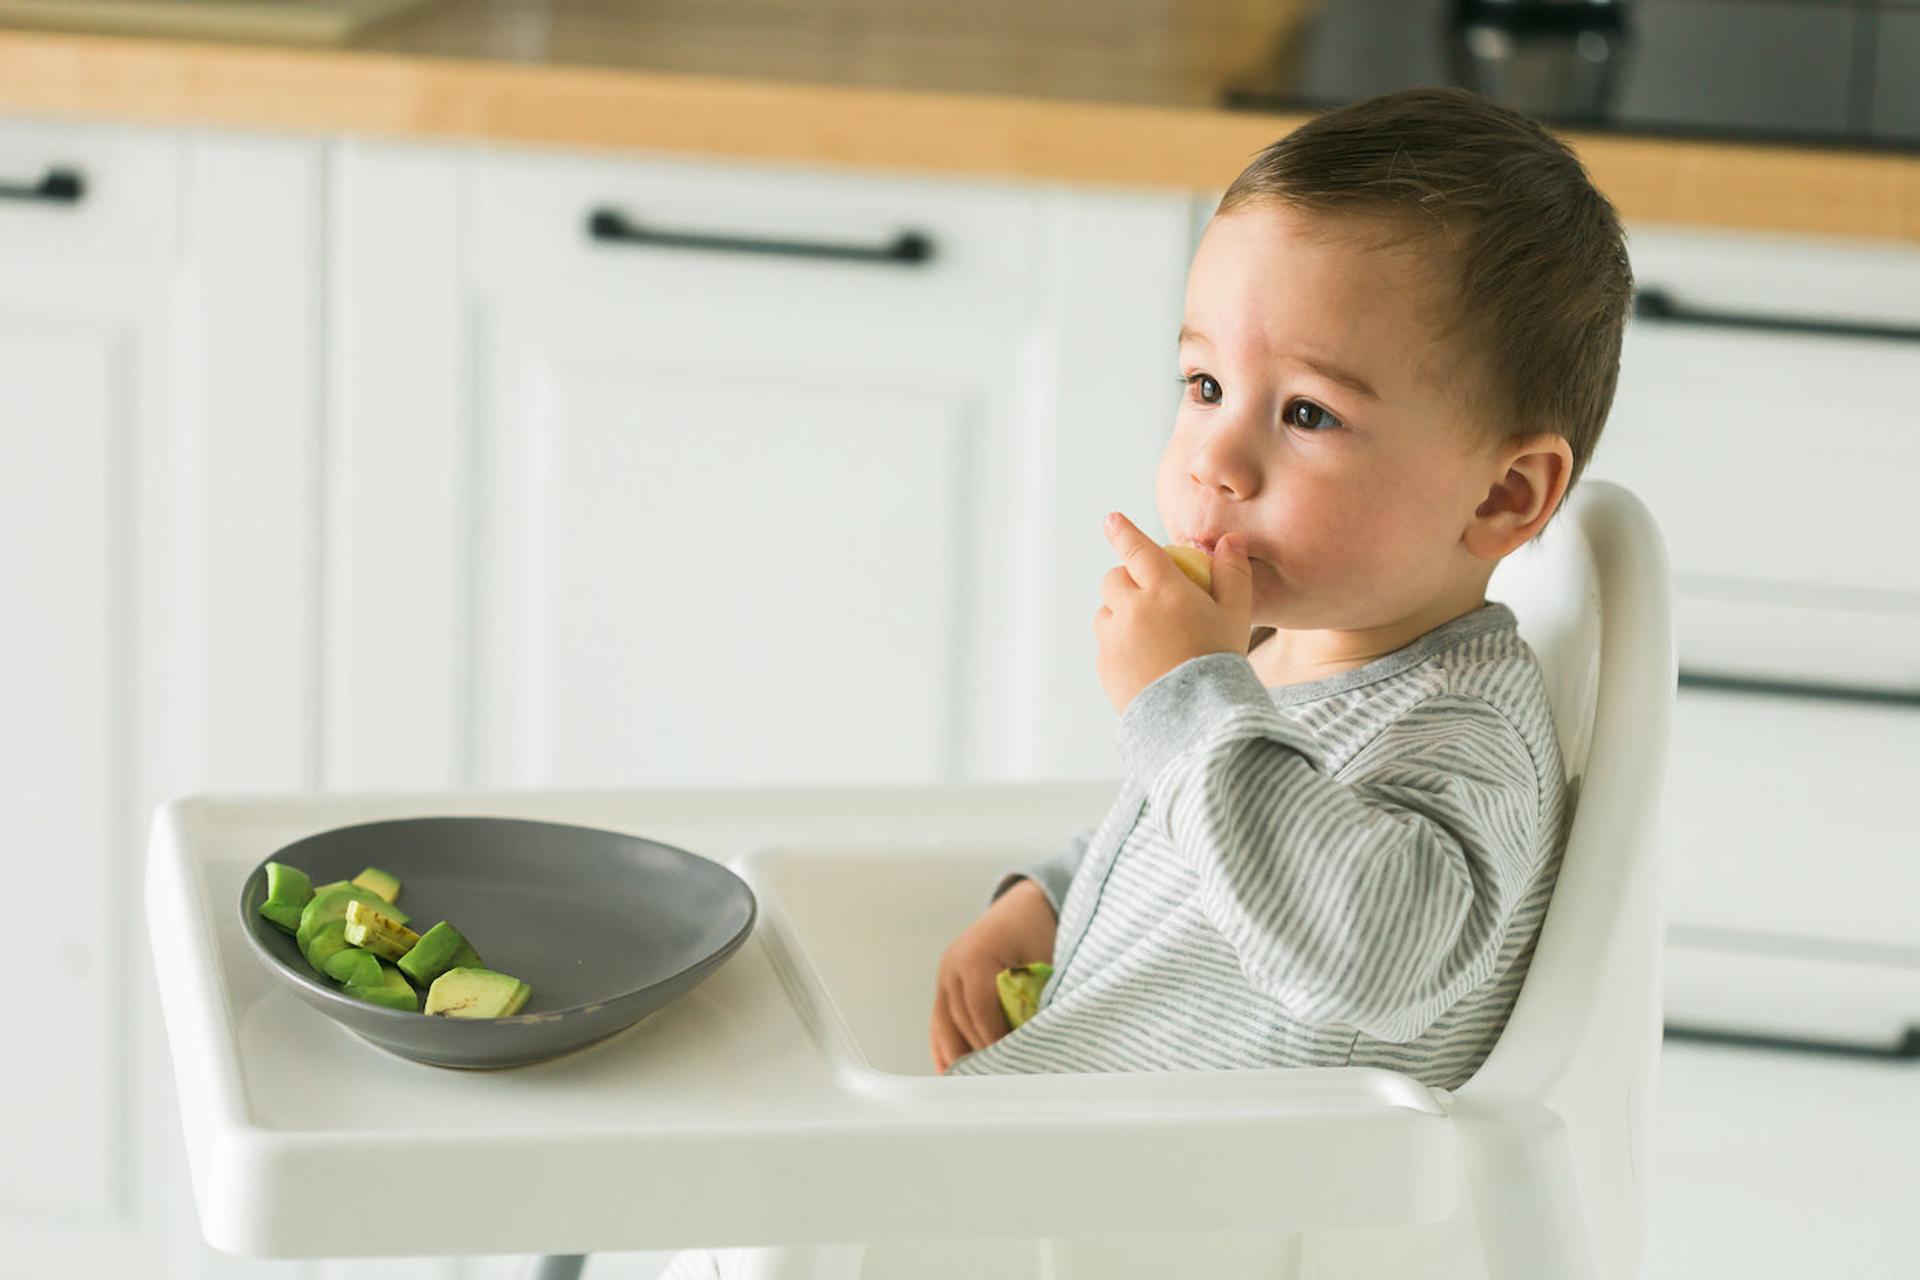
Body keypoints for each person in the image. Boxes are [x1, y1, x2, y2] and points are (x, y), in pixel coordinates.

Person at [660, 82, 1632, 1280]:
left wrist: (1188, 695)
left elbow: (1370, 957)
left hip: (1152, 1224)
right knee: (675, 1161)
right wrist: (1049, 899)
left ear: (1503, 497)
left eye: (1310, 412)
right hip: (1053, 1167)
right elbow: (1188, 844)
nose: (1215, 459)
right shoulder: (1274, 662)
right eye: (1206, 386)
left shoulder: (1463, 731)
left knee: (714, 1201)